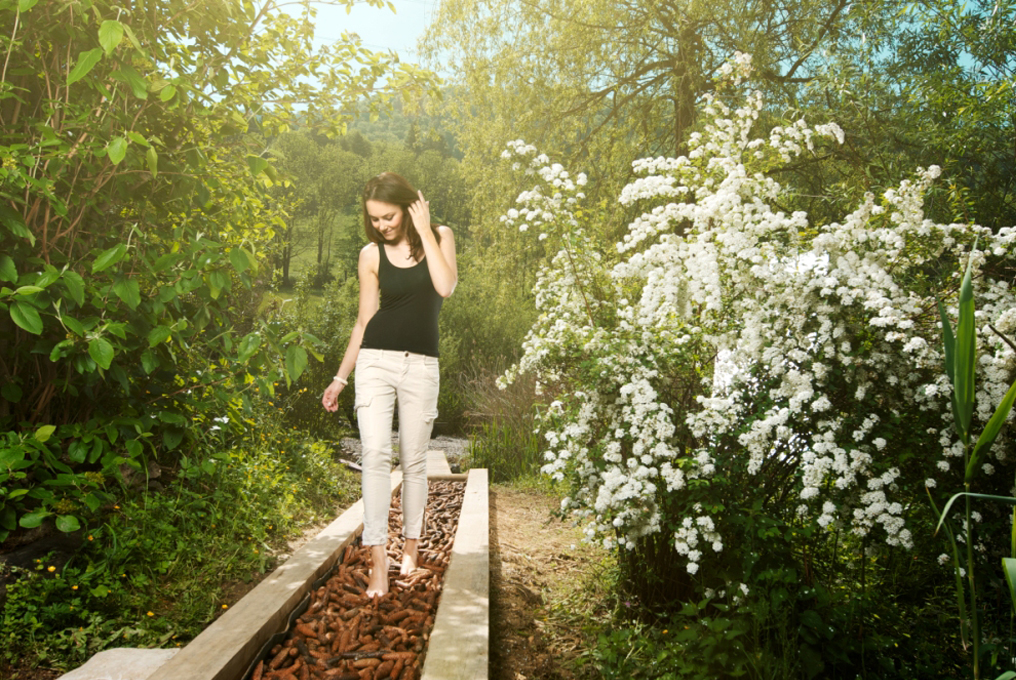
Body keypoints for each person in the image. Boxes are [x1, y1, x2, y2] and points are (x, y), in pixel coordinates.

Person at [321, 172, 457, 597]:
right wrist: (340, 377)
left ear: (408, 206)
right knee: (376, 452)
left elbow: (446, 286)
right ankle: (379, 557)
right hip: (375, 362)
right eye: (375, 219)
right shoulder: (370, 255)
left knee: (413, 461)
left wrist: (423, 231)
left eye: (389, 216)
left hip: (420, 366)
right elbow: (364, 320)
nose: (382, 225)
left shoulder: (440, 235)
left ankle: (411, 551)